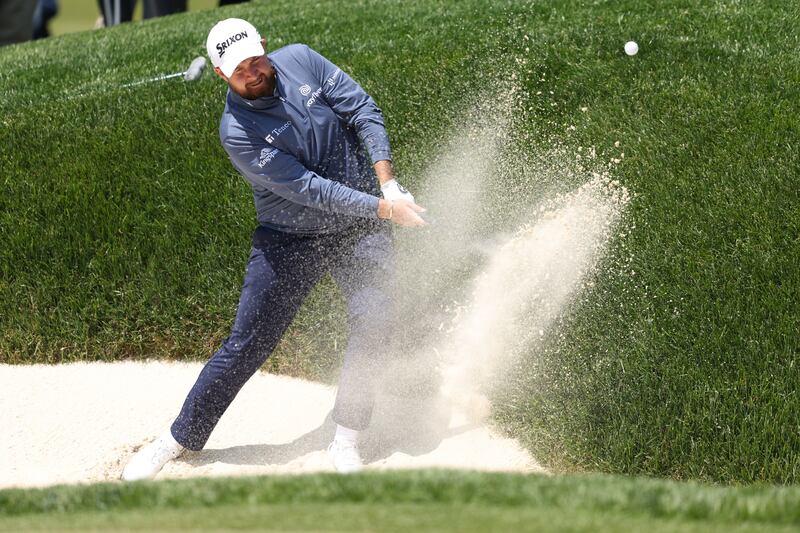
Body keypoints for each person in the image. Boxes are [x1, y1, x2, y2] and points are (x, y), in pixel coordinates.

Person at [121, 17, 426, 480]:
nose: (252, 71)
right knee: (248, 342)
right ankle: (178, 438)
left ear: (264, 44)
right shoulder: (236, 132)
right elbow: (309, 188)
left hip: (361, 221)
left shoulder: (302, 58)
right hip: (290, 236)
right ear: (221, 74)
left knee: (375, 316)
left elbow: (363, 109)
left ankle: (346, 435)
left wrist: (390, 185)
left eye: (255, 58)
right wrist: (385, 210)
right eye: (238, 68)